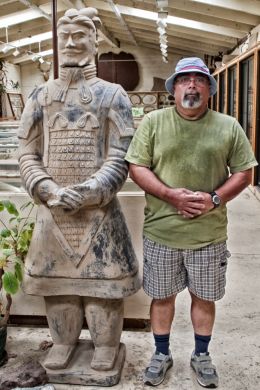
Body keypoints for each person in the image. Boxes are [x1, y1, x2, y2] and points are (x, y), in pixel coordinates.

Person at [18, 7, 140, 374]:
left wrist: (92, 190)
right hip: (53, 212)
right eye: (64, 37)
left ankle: (106, 346)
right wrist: (46, 187)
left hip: (99, 214)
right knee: (59, 290)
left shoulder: (113, 95)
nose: (70, 43)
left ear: (94, 40)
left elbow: (121, 155)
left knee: (102, 290)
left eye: (79, 36)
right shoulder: (40, 96)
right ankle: (63, 342)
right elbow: (26, 152)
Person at [125, 57, 258, 388]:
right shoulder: (154, 123)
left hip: (207, 235)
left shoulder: (228, 126)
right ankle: (161, 354)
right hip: (162, 232)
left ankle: (201, 355)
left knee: (204, 297)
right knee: (162, 297)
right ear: (174, 88)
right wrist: (172, 196)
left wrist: (214, 199)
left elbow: (244, 172)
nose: (192, 85)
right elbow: (136, 167)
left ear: (210, 90)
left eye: (200, 80)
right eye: (184, 79)